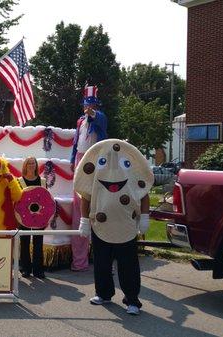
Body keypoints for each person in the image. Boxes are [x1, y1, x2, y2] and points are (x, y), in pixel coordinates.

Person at [73, 139, 153, 316]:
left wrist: (144, 217)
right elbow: (86, 196)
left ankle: (132, 300)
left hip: (126, 225)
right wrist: (84, 221)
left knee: (128, 265)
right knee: (101, 263)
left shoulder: (130, 172)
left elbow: (143, 194)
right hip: (101, 226)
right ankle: (103, 293)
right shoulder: (97, 174)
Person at [69, 85, 108, 272]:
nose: (88, 108)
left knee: (99, 205)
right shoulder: (80, 122)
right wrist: (71, 159)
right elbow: (76, 143)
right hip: (80, 160)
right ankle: (79, 260)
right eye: (86, 105)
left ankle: (105, 259)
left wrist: (93, 114)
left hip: (95, 161)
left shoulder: (99, 118)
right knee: (79, 207)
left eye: (91, 105)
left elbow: (100, 123)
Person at [17, 157, 47, 279]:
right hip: (23, 216)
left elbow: (47, 199)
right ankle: (25, 269)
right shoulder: (19, 181)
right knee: (24, 242)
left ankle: (38, 270)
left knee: (38, 243)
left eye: (33, 163)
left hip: (39, 216)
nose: (31, 165)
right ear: (25, 165)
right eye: (28, 163)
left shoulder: (43, 181)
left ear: (36, 165)